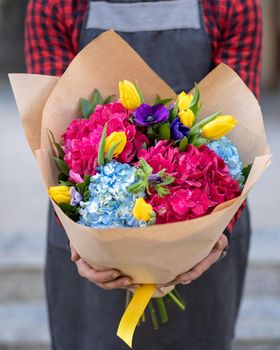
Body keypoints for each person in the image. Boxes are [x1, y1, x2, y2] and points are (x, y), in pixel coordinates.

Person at [25, 1, 262, 349]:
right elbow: (56, 137)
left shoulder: (234, 5)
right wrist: (86, 242)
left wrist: (214, 237)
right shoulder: (54, 5)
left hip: (207, 234)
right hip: (91, 243)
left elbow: (239, 131)